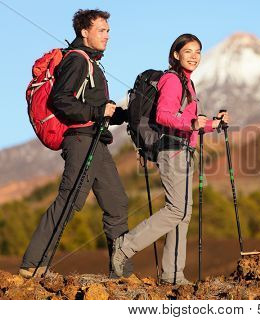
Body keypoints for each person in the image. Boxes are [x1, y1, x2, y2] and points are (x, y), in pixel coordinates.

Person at [19, 9, 133, 278]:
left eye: (108, 30)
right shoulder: (77, 60)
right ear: (84, 32)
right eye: (101, 30)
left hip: (96, 140)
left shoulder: (92, 63)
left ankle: (122, 273)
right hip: (81, 141)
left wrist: (127, 114)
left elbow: (99, 110)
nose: (107, 35)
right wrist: (97, 113)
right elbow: (62, 100)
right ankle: (33, 264)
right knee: (70, 199)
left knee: (117, 203)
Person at [111, 34, 229, 284]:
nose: (194, 56)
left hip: (183, 149)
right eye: (188, 51)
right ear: (176, 54)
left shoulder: (188, 84)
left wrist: (213, 124)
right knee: (177, 209)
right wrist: (192, 122)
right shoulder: (173, 80)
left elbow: (189, 124)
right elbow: (164, 116)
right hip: (171, 150)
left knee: (182, 213)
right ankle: (125, 247)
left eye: (198, 51)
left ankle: (172, 274)